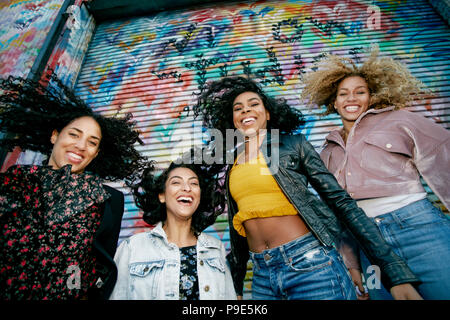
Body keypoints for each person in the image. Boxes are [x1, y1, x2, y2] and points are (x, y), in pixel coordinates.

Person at [193, 76, 423, 300]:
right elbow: (239, 232)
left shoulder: (293, 146)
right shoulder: (233, 165)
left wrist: (394, 273)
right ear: (232, 120)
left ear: (269, 113)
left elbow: (342, 204)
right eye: (238, 108)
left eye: (254, 104)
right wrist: (237, 285)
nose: (245, 111)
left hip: (310, 263)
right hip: (263, 276)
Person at [300, 46, 450, 300]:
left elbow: (443, 156)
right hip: (368, 243)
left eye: (360, 92)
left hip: (419, 227)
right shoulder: (327, 149)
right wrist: (352, 262)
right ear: (333, 102)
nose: (351, 98)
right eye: (343, 94)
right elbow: (338, 214)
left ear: (371, 97)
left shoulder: (399, 120)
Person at [0, 75, 146, 300]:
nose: (81, 146)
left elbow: (101, 269)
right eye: (74, 135)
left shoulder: (108, 200)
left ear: (96, 153)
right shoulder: (15, 182)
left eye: (92, 142)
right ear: (54, 136)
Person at [109, 158, 236, 300]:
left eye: (194, 183)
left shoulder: (215, 248)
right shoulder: (132, 248)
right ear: (162, 196)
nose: (187, 188)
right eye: (176, 182)